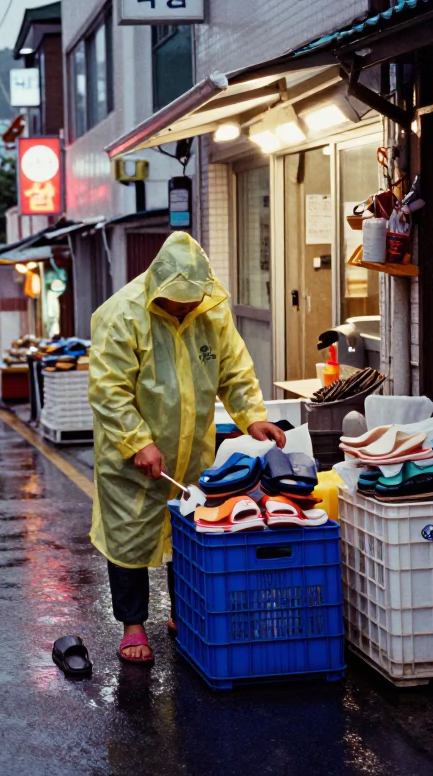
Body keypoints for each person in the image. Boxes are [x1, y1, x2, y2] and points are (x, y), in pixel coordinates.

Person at [88, 232, 286, 664]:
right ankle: (133, 626)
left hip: (191, 449)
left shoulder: (210, 313)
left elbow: (234, 369)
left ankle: (185, 611)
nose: (181, 308)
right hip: (131, 457)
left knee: (190, 528)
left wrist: (252, 415)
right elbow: (109, 390)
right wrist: (137, 441)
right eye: (173, 303)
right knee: (130, 534)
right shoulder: (121, 315)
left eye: (188, 302)